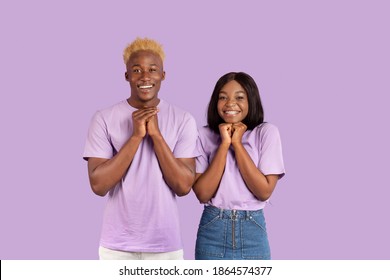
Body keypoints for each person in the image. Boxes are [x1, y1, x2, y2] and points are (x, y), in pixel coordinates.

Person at [83, 37, 198, 260]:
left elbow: (183, 186)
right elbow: (98, 185)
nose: (145, 77)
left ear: (163, 75)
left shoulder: (183, 119)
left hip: (166, 246)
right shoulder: (103, 118)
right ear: (126, 76)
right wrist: (136, 136)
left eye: (153, 69)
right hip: (116, 247)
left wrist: (155, 135)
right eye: (137, 70)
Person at [193, 72, 285, 260]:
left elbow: (264, 191)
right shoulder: (204, 135)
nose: (230, 103)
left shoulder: (266, 133)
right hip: (212, 230)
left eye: (239, 97)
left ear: (251, 101)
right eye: (223, 97)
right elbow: (202, 193)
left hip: (253, 231)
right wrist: (224, 144)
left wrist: (237, 143)